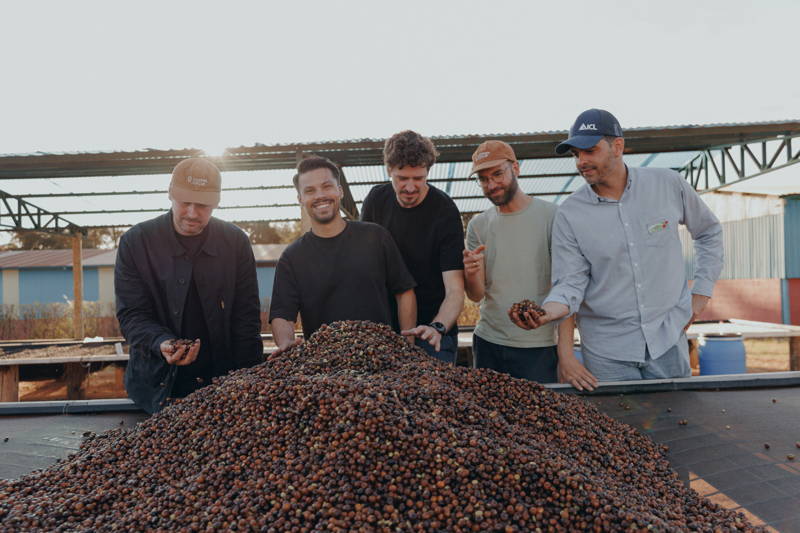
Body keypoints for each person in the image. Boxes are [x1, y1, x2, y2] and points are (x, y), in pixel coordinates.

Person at [511, 109, 723, 386]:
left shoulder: (668, 184)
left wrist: (702, 293)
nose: (581, 162)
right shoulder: (570, 214)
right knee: (619, 428)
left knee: (679, 425)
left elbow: (709, 231)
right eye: (576, 154)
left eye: (590, 151)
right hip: (607, 353)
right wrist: (546, 313)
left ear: (618, 146)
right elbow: (570, 282)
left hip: (667, 338)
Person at [115, 158, 264, 413]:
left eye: (203, 205)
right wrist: (161, 342)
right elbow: (132, 314)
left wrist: (250, 380)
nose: (193, 213)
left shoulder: (235, 242)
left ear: (217, 202)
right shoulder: (136, 243)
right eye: (185, 203)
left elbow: (246, 317)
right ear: (170, 194)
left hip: (222, 381)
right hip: (157, 385)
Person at [269, 156, 417, 352]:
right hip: (324, 369)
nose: (320, 195)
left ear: (339, 190)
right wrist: (286, 342)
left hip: (382, 360)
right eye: (310, 191)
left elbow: (404, 291)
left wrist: (408, 346)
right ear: (300, 199)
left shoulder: (376, 237)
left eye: (327, 186)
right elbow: (282, 314)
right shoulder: (292, 257)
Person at [463, 140, 580, 385]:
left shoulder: (553, 216)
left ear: (515, 168)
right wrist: (471, 272)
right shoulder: (478, 225)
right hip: (487, 342)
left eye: (498, 174)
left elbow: (567, 286)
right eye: (483, 179)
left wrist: (566, 355)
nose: (492, 185)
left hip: (537, 345)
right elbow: (476, 295)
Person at [361, 130, 465, 363]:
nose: (409, 188)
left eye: (418, 178)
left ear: (428, 171)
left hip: (433, 332)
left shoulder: (445, 211)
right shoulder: (376, 201)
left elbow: (455, 290)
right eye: (401, 178)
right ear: (389, 171)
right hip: (384, 331)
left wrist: (438, 327)